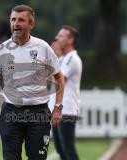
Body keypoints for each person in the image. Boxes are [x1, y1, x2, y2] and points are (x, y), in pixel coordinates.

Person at [0, 5, 65, 160]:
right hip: (11, 113)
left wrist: (58, 107)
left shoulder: (43, 47)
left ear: (31, 24)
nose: (16, 24)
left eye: (21, 20)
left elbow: (59, 77)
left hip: (38, 114)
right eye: (13, 20)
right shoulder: (1, 50)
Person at [51, 25, 82, 160]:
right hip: (58, 110)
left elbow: (58, 81)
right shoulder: (62, 59)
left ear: (71, 40)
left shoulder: (72, 59)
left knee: (68, 150)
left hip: (67, 110)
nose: (57, 38)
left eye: (61, 36)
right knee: (61, 149)